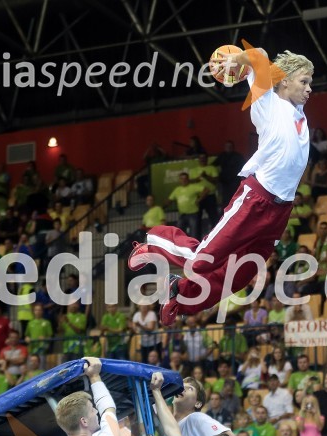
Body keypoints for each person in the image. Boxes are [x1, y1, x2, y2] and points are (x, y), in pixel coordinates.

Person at [129, 48, 314, 326]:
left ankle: (179, 294)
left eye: (311, 82)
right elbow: (259, 54)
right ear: (284, 81)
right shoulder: (267, 102)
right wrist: (236, 60)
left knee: (239, 274)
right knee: (201, 260)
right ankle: (152, 243)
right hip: (256, 200)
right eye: (304, 81)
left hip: (280, 210)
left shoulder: (298, 113)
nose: (310, 88)